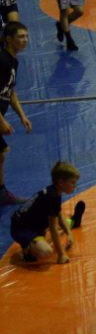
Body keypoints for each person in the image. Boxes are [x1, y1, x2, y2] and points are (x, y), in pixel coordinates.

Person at [10, 161, 85, 264]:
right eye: (72, 182)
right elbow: (53, 228)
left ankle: (73, 222)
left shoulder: (54, 191)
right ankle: (27, 250)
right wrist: (61, 254)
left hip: (31, 224)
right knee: (46, 251)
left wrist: (69, 233)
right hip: (21, 229)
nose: (75, 186)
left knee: (55, 220)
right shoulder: (52, 196)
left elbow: (59, 215)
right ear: (61, 182)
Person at [0, 21, 30, 204]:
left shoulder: (13, 61)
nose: (25, 40)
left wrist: (22, 116)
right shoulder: (2, 61)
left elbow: (11, 91)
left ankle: (1, 192)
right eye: (20, 36)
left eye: (26, 36)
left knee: (1, 154)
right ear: (9, 39)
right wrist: (1, 121)